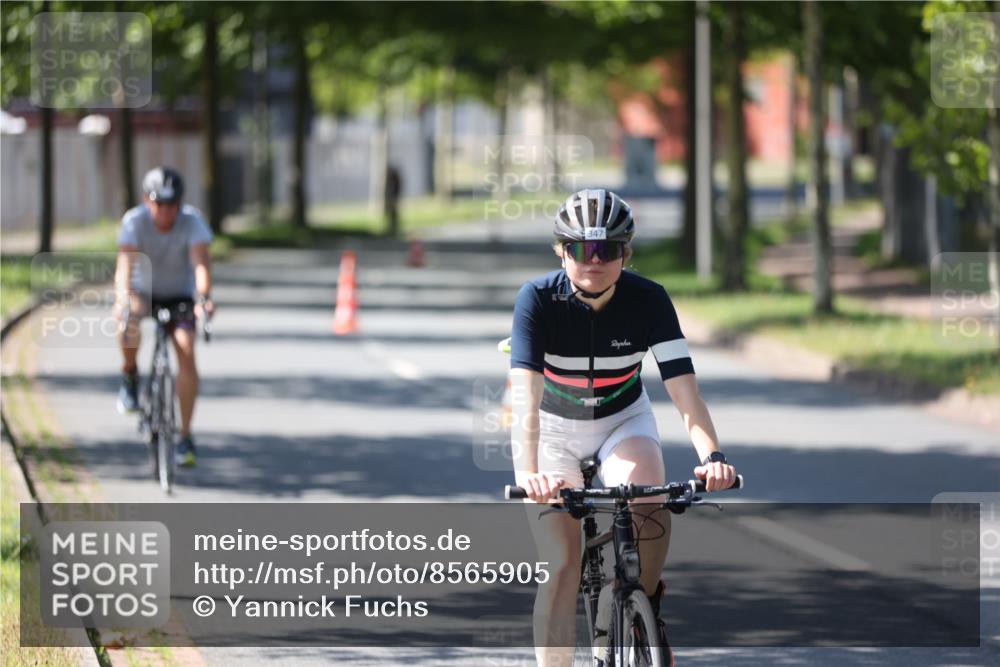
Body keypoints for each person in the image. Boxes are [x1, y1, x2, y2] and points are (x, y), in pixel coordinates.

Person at [509, 188, 737, 667]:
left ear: (625, 253)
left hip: (621, 418)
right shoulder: (537, 299)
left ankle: (643, 605)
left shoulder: (648, 299)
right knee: (562, 564)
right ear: (560, 250)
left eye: (607, 250)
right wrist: (529, 471)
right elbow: (525, 396)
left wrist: (712, 457)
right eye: (580, 249)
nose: (593, 261)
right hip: (553, 427)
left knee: (650, 504)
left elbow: (684, 391)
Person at [114, 167, 215, 467]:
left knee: (186, 350)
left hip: (180, 295)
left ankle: (185, 435)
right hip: (144, 293)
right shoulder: (134, 222)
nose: (167, 211)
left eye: (173, 205)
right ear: (147, 200)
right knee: (127, 319)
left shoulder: (192, 221)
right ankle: (130, 374)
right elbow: (124, 267)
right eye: (160, 203)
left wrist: (204, 298)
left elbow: (201, 266)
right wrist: (122, 298)